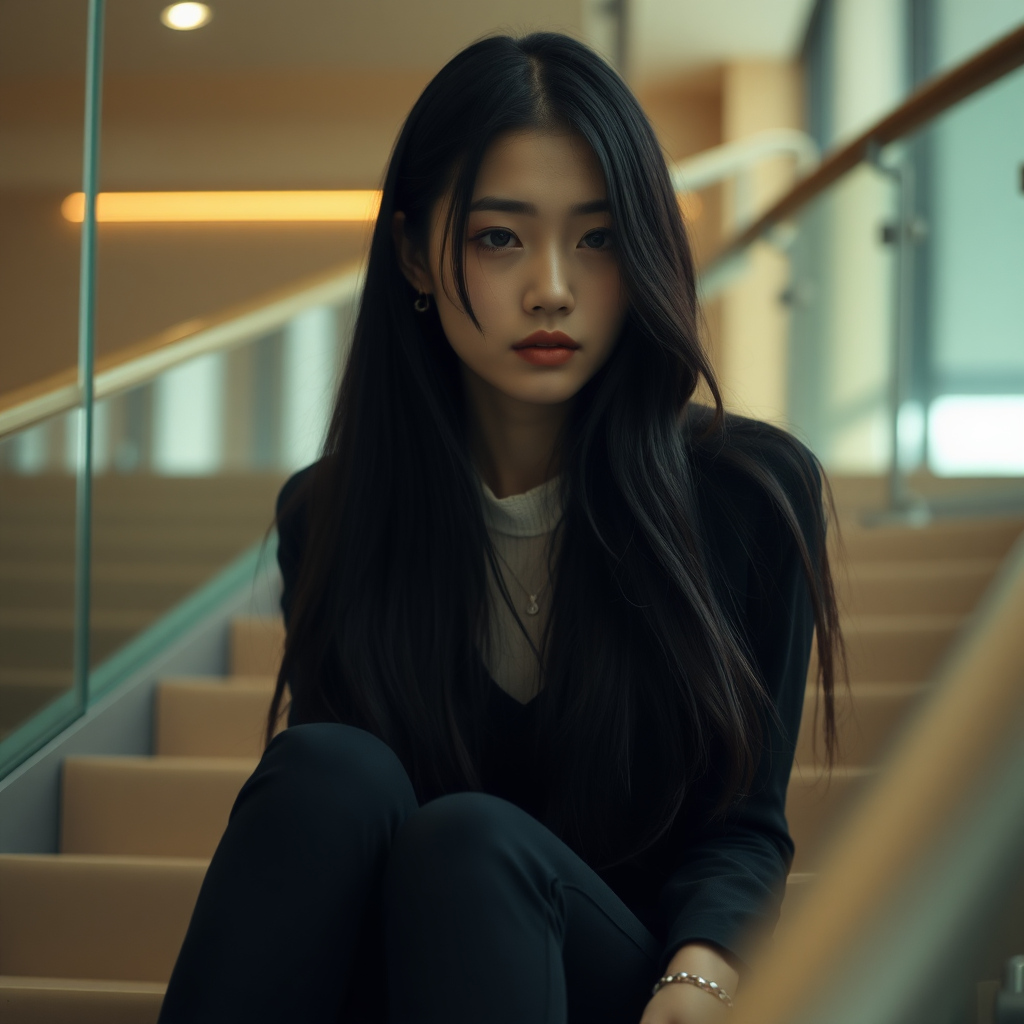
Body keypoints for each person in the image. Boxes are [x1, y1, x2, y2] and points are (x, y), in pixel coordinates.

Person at [158, 31, 842, 1024]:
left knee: (470, 841)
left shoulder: (748, 491)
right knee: (327, 768)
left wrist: (698, 982)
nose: (552, 286)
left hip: (615, 983)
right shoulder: (333, 513)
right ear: (412, 254)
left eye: (597, 238)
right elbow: (335, 841)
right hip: (410, 978)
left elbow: (742, 828)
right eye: (499, 236)